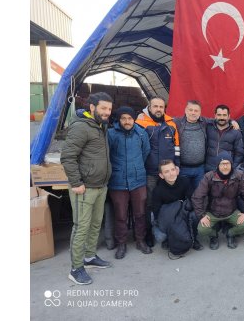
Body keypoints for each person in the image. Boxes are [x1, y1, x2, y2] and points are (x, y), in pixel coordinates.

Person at [61, 92, 113, 285]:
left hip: (100, 185)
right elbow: (67, 157)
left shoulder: (101, 125)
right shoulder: (82, 127)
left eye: (109, 109)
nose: (107, 112)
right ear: (92, 107)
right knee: (81, 227)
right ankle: (75, 269)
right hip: (84, 188)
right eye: (103, 108)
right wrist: (76, 183)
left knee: (95, 223)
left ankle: (90, 257)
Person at [107, 106, 152, 259]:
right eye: (123, 118)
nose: (127, 121)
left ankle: (140, 240)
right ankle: (121, 244)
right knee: (121, 215)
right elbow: (107, 155)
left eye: (130, 118)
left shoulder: (141, 133)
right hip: (118, 182)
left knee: (140, 213)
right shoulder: (111, 134)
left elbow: (146, 151)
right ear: (119, 120)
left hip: (138, 180)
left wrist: (136, 167)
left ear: (134, 119)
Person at [135, 97, 180, 247]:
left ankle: (168, 230)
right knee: (149, 204)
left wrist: (177, 165)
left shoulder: (171, 124)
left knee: (169, 201)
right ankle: (149, 233)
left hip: (168, 173)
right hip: (150, 172)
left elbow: (177, 148)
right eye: (155, 106)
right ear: (149, 107)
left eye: (161, 106)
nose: (158, 109)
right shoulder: (140, 123)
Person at [192, 152, 244, 250]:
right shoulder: (209, 176)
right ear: (218, 165)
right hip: (213, 212)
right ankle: (213, 236)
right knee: (202, 229)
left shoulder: (239, 175)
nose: (225, 167)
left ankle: (230, 234)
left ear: (231, 164)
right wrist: (201, 215)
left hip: (231, 211)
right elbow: (197, 196)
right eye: (222, 164)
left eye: (227, 163)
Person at [151, 160, 203, 251]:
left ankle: (193, 238)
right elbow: (157, 213)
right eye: (166, 172)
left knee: (195, 215)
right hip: (167, 217)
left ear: (177, 170)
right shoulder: (158, 191)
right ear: (161, 175)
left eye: (172, 169)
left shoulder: (184, 181)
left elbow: (192, 199)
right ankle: (168, 239)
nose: (171, 173)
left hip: (181, 212)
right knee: (161, 237)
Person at [173, 100, 209, 190]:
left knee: (199, 194)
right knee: (184, 194)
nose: (193, 113)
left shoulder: (204, 122)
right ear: (185, 110)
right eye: (190, 110)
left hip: (200, 168)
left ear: (200, 112)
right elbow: (161, 119)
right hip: (183, 168)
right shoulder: (177, 122)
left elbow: (219, 120)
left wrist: (232, 122)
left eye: (196, 111)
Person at [205, 104, 244, 172]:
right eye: (219, 115)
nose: (222, 117)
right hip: (209, 169)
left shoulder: (236, 132)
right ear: (215, 116)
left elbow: (239, 153)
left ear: (229, 116)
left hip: (226, 170)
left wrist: (232, 168)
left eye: (224, 115)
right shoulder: (208, 127)